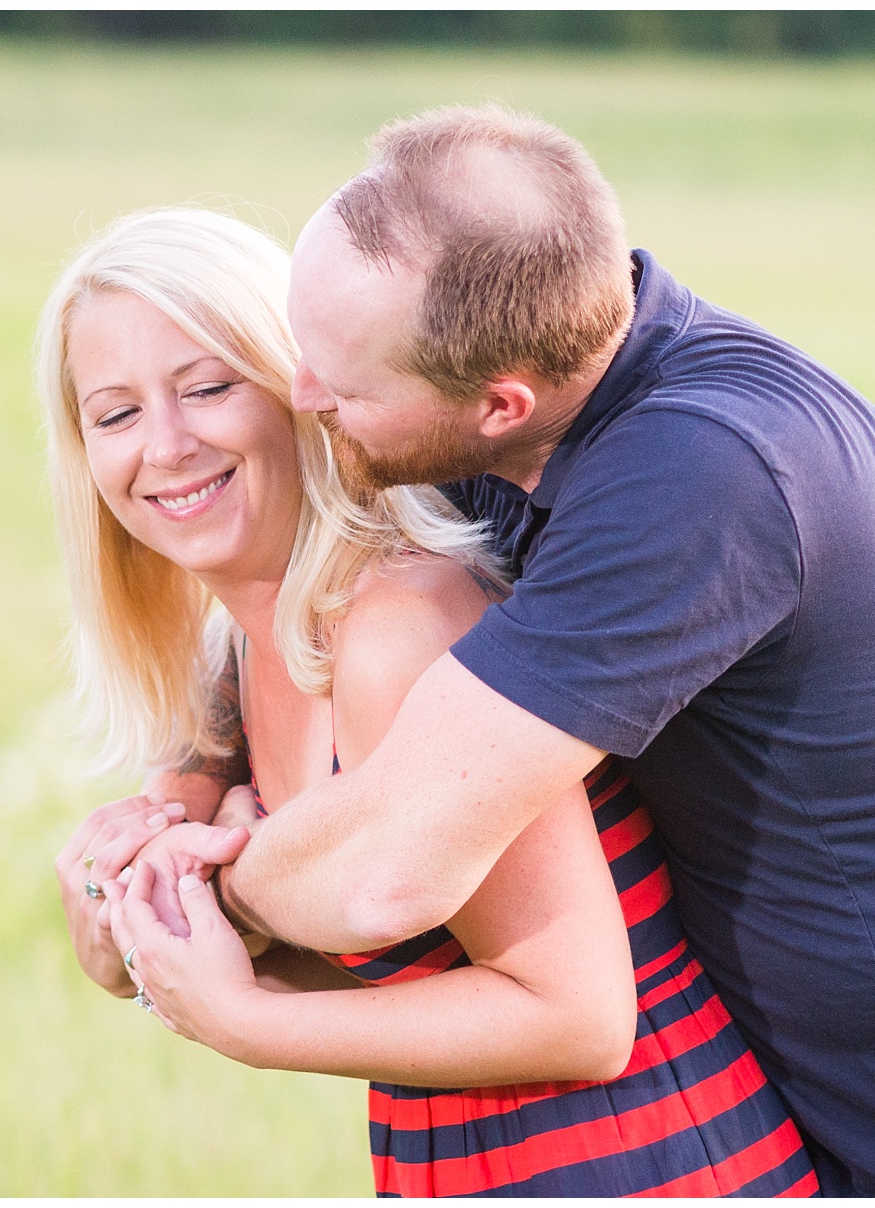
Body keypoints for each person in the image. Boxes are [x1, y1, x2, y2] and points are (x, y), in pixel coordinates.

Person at [124, 105, 875, 1197]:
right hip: (826, 1134)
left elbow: (385, 866)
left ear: (497, 400)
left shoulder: (702, 477)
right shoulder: (528, 409)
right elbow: (322, 582)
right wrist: (188, 787)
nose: (304, 395)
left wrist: (202, 899)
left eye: (342, 383)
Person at [41, 207, 821, 1196]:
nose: (166, 444)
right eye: (115, 414)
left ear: (300, 387)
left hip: (647, 1163)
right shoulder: (238, 648)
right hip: (464, 1166)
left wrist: (246, 1020)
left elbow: (579, 1012)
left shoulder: (398, 625)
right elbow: (383, 974)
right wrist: (126, 920)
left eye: (207, 386)